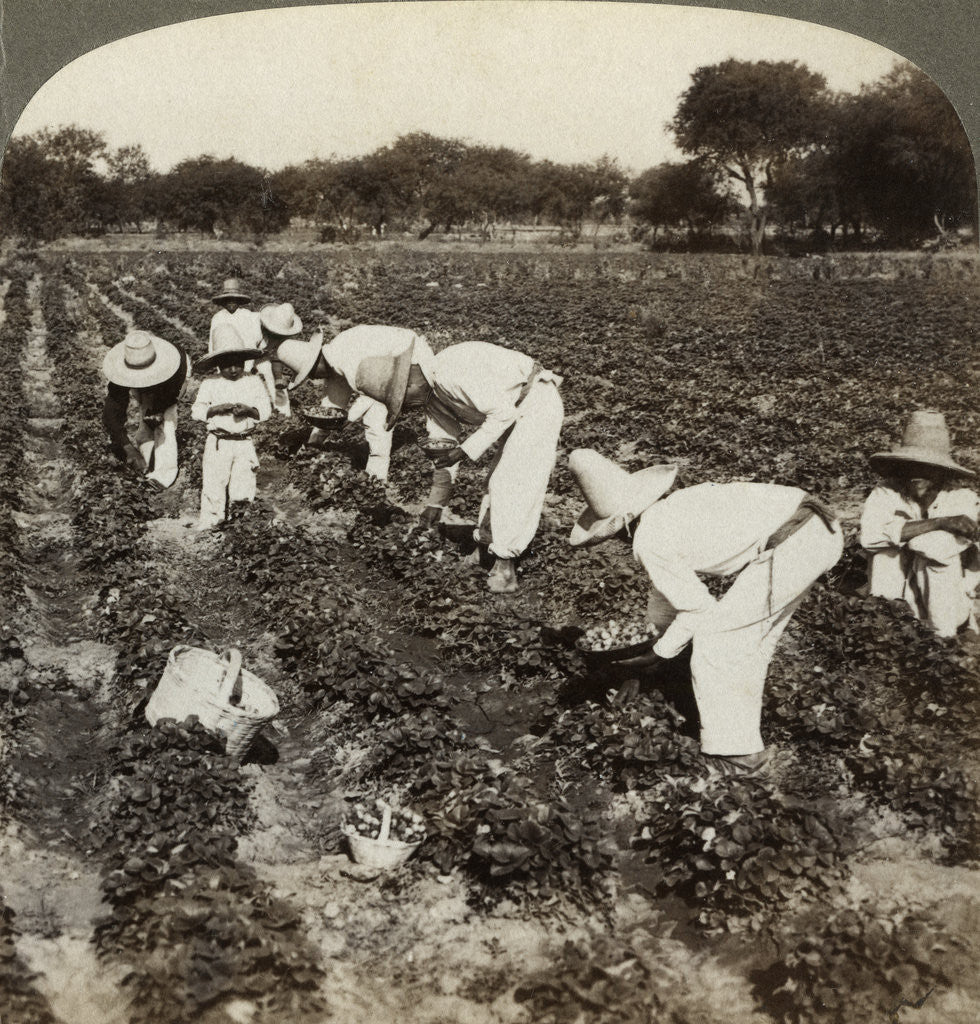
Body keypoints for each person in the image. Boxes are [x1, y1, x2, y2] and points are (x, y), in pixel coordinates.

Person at [566, 448, 843, 775]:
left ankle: (736, 755)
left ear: (624, 526)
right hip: (819, 529)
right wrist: (643, 671)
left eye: (613, 536)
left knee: (716, 642)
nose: (619, 544)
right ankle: (743, 735)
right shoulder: (672, 508)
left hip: (794, 542)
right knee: (752, 641)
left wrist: (657, 654)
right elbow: (667, 601)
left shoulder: (648, 540)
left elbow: (699, 609)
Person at [394, 339, 564, 594]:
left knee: (514, 482)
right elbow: (444, 447)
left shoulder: (451, 373)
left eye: (402, 399)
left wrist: (463, 451)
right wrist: (435, 504)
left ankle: (505, 568)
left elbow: (502, 414)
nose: (406, 408)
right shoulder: (430, 395)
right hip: (516, 410)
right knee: (495, 481)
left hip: (536, 402)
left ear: (411, 382)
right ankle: (483, 551)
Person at [860, 410, 979, 637]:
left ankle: (943, 638)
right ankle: (886, 627)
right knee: (885, 553)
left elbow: (943, 548)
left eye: (926, 467)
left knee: (934, 547)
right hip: (900, 598)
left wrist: (907, 535)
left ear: (942, 472)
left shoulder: (961, 498)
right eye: (910, 466)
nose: (916, 474)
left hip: (950, 606)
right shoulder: (886, 492)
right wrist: (939, 522)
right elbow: (870, 538)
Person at [275, 324, 422, 482]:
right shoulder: (333, 357)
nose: (313, 378)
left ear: (317, 362)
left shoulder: (347, 360)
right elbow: (331, 407)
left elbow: (372, 396)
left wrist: (348, 419)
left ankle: (377, 478)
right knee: (331, 411)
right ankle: (313, 449)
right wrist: (313, 444)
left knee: (376, 419)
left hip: (405, 354)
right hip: (380, 361)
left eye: (310, 373)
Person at [191, 323, 273, 529]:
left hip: (243, 441)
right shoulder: (210, 382)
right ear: (219, 365)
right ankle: (211, 524)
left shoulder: (253, 381)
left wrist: (249, 410)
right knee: (214, 485)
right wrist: (216, 409)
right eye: (228, 365)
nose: (234, 370)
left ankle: (240, 525)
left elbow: (265, 411)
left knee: (243, 484)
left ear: (244, 362)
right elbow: (197, 411)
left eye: (238, 364)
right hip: (218, 442)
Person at [101, 329, 190, 490]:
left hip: (172, 385)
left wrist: (158, 410)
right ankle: (148, 466)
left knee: (166, 425)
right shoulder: (121, 374)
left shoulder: (173, 364)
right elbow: (112, 412)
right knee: (145, 427)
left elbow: (173, 396)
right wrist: (127, 447)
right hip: (149, 388)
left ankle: (163, 477)